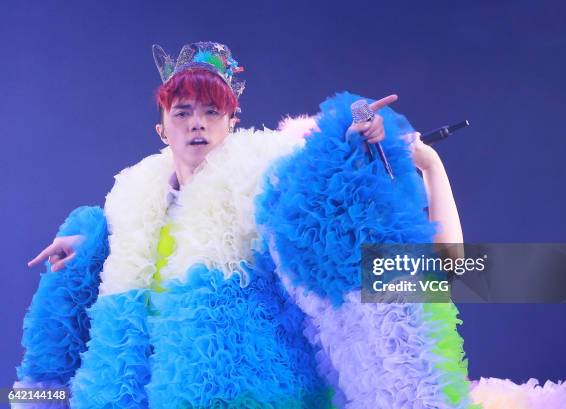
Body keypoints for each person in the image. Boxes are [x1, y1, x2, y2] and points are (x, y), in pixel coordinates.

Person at [15, 41, 474, 408]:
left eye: (212, 112)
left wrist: (360, 152)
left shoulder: (266, 180)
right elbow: (127, 304)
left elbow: (333, 227)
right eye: (183, 113)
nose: (198, 124)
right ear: (162, 128)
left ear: (233, 122)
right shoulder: (134, 204)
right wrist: (91, 246)